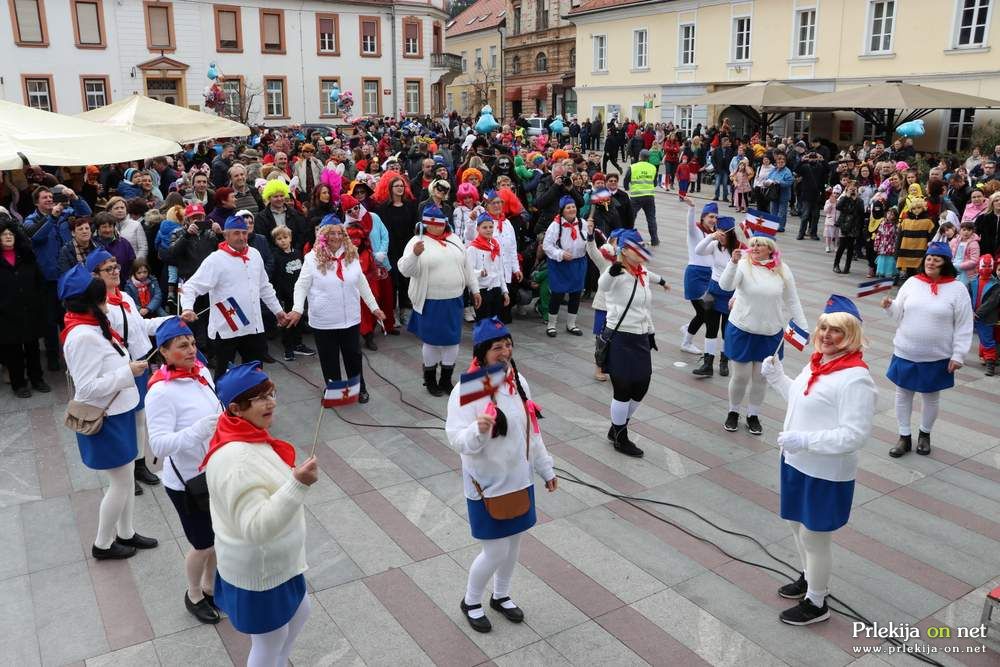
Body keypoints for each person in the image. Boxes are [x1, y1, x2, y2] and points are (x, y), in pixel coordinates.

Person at [760, 295, 877, 626]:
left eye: (836, 330)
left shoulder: (855, 377)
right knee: (796, 526)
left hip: (825, 471)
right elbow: (802, 401)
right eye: (824, 326)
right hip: (796, 461)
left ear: (851, 335)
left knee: (814, 536)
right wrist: (777, 377)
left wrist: (806, 440)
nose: (826, 334)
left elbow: (855, 435)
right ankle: (811, 577)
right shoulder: (818, 362)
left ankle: (817, 602)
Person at [202, 361, 318, 666]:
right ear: (236, 409)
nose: (271, 402)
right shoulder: (236, 459)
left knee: (300, 613)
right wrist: (297, 485)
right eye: (260, 398)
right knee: (270, 641)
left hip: (279, 564)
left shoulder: (247, 435)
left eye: (271, 393)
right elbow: (255, 527)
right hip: (260, 572)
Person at [445, 318, 557, 633]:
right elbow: (456, 439)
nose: (505, 351)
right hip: (486, 486)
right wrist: (477, 431)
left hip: (519, 480)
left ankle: (502, 595)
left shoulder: (518, 382)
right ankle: (471, 601)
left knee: (515, 543)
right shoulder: (466, 391)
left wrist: (545, 467)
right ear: (482, 352)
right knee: (495, 550)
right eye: (498, 347)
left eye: (508, 344)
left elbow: (531, 431)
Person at [59, 264, 158, 559]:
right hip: (107, 417)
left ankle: (126, 532)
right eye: (102, 297)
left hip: (120, 410)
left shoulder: (91, 323)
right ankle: (102, 543)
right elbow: (86, 387)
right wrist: (127, 372)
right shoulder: (82, 336)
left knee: (126, 476)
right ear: (90, 302)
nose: (108, 301)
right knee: (120, 482)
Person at [144, 318, 223, 624]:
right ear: (164, 351)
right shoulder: (160, 393)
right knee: (202, 543)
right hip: (188, 482)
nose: (192, 349)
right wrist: (200, 429)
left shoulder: (201, 373)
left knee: (218, 537)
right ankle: (193, 594)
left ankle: (210, 586)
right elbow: (160, 446)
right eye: (182, 345)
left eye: (192, 342)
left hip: (215, 470)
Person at [883, 243, 973, 457]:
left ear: (946, 263)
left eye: (937, 259)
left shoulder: (957, 288)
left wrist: (959, 354)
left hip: (937, 355)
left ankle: (925, 435)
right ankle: (904, 436)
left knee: (930, 396)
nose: (931, 262)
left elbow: (964, 324)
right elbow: (898, 313)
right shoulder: (912, 282)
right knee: (903, 393)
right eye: (929, 258)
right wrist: (889, 306)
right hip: (906, 350)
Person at [718, 232, 808, 436]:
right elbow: (725, 286)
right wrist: (732, 263)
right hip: (742, 328)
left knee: (761, 377)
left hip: (770, 332)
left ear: (771, 248)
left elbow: (792, 300)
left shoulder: (782, 270)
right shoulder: (742, 264)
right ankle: (733, 411)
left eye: (761, 245)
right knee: (740, 376)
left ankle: (753, 414)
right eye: (754, 244)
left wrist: (804, 328)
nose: (756, 247)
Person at [289, 216, 384, 404]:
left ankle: (358, 389)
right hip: (324, 319)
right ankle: (335, 393)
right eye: (331, 233)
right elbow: (301, 286)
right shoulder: (312, 258)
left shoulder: (352, 254)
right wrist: (297, 308)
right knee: (329, 358)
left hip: (349, 318)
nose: (336, 237)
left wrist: (374, 307)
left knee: (353, 357)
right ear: (323, 235)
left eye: (339, 233)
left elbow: (361, 282)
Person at [180, 215, 288, 378]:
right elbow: (191, 286)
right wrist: (187, 308)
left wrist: (278, 311)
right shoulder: (215, 260)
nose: (241, 237)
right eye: (236, 233)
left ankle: (253, 401)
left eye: (244, 233)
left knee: (255, 375)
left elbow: (264, 286)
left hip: (253, 326)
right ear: (226, 235)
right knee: (224, 376)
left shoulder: (255, 254)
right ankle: (222, 404)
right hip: (226, 329)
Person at [598, 229, 668, 457]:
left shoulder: (642, 272)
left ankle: (617, 425)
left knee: (642, 385)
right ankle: (620, 435)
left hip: (641, 336)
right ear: (626, 251)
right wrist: (612, 269)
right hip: (620, 336)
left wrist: (663, 281)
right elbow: (603, 285)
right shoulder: (615, 272)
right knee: (623, 387)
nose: (642, 252)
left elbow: (650, 286)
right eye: (637, 248)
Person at [399, 205, 479, 396]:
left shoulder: (454, 240)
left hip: (454, 300)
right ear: (425, 225)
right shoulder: (416, 241)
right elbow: (405, 270)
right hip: (431, 301)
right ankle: (429, 379)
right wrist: (414, 255)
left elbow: (467, 266)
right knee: (433, 342)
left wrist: (475, 289)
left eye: (440, 225)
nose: (437, 228)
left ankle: (445, 379)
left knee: (452, 342)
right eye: (432, 225)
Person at [0, 216, 49, 397]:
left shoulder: (27, 257)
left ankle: (37, 379)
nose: (8, 236)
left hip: (30, 311)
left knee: (33, 348)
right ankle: (18, 384)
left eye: (10, 233)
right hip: (6, 315)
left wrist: (38, 302)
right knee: (13, 352)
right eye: (3, 234)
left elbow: (39, 282)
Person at [692, 216, 737, 378]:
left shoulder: (738, 250)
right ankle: (707, 363)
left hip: (730, 294)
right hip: (713, 291)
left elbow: (742, 276)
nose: (721, 237)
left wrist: (737, 296)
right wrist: (711, 236)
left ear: (731, 235)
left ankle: (724, 362)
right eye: (719, 233)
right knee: (711, 328)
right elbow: (698, 250)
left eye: (724, 234)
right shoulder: (714, 245)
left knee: (726, 331)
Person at [542, 197, 588, 338]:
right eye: (568, 207)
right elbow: (547, 246)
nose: (572, 209)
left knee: (576, 294)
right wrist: (560, 254)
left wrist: (591, 234)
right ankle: (551, 324)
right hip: (560, 264)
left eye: (573, 207)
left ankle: (571, 324)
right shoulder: (555, 226)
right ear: (562, 211)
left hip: (578, 263)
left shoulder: (582, 223)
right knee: (557, 294)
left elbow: (588, 242)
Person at [680, 200, 717, 355]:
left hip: (710, 275)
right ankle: (686, 343)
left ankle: (688, 327)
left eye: (715, 217)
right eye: (710, 217)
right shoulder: (695, 230)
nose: (713, 220)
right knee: (703, 313)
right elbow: (689, 223)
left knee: (708, 310)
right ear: (703, 218)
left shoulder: (714, 234)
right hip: (695, 274)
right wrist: (692, 207)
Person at [467, 213, 509, 321]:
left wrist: (504, 291)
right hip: (481, 290)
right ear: (478, 229)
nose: (488, 230)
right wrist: (480, 273)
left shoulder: (495, 245)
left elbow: (500, 270)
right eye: (484, 227)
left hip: (495, 289)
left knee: (495, 320)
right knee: (483, 321)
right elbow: (468, 272)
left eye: (491, 227)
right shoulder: (473, 248)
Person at [969, 254, 999, 376]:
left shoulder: (996, 285)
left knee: (987, 341)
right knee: (958, 336)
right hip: (970, 315)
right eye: (984, 265)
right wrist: (969, 311)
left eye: (989, 265)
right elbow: (966, 297)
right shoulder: (972, 282)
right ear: (979, 266)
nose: (986, 268)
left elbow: (992, 302)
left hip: (985, 318)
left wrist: (977, 313)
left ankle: (990, 364)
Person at [624, 150, 659, 245]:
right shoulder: (653, 167)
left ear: (639, 156)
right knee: (651, 218)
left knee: (631, 217)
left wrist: (627, 188)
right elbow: (655, 183)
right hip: (649, 196)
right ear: (648, 158)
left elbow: (626, 179)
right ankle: (655, 240)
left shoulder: (633, 167)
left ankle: (627, 238)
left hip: (636, 196)